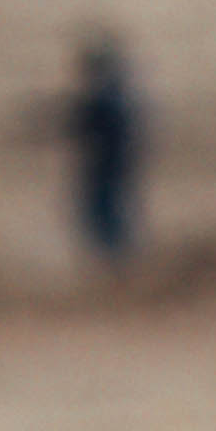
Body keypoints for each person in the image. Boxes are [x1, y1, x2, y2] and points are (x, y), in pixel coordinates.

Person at [58, 29, 154, 272]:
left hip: (105, 171)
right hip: (114, 169)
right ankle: (119, 267)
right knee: (111, 219)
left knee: (105, 221)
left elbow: (80, 124)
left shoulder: (106, 100)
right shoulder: (120, 98)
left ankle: (117, 270)